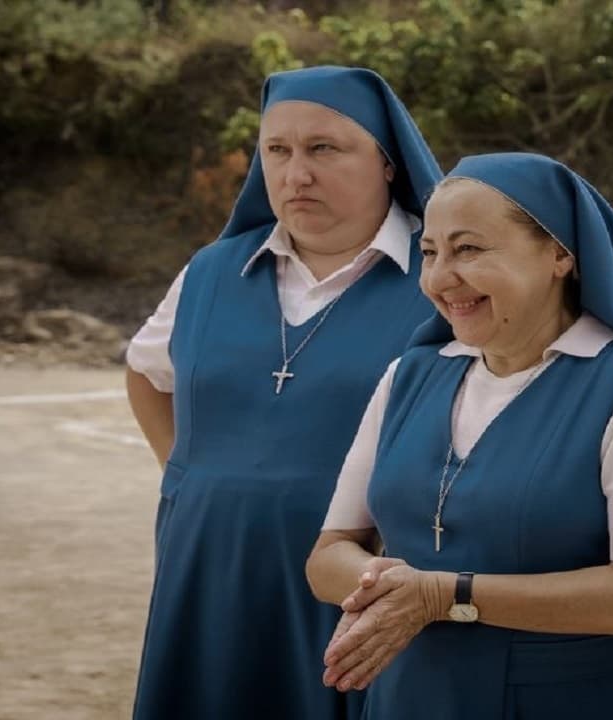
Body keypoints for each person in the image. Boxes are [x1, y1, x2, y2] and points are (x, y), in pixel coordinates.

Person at [304, 152, 613, 719]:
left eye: (468, 249)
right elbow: (328, 557)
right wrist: (389, 586)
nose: (439, 278)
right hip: (417, 697)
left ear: (560, 254)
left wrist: (444, 595)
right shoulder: (409, 376)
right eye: (430, 253)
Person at [124, 65, 441, 719]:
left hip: (360, 583)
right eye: (277, 150)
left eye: (324, 148)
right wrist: (186, 477)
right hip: (209, 569)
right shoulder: (213, 270)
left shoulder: (442, 277)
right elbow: (146, 372)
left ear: (388, 162)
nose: (297, 175)